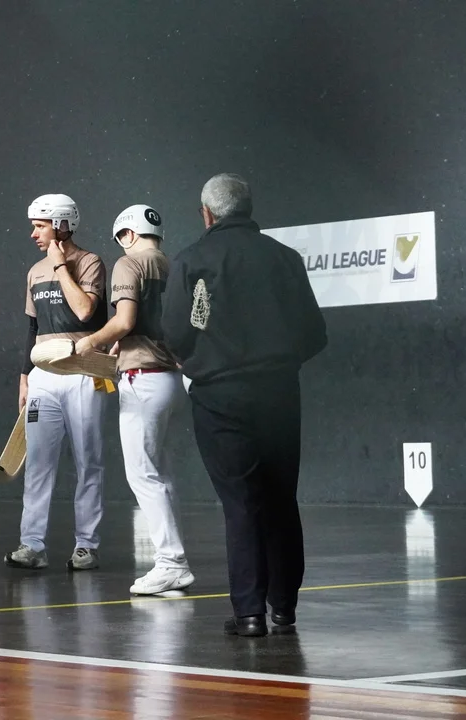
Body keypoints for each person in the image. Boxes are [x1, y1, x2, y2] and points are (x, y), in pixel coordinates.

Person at [160, 173, 327, 637]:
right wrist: (278, 363)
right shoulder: (286, 258)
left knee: (241, 503)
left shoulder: (191, 260)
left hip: (219, 397)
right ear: (248, 209)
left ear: (207, 214)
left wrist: (202, 361)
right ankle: (284, 608)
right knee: (280, 498)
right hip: (279, 394)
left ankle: (250, 613)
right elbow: (315, 333)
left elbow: (174, 333)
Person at [76, 204, 194, 595]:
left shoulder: (129, 264)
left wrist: (91, 341)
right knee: (161, 474)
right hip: (172, 380)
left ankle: (172, 563)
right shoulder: (173, 266)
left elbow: (125, 321)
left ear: (128, 234)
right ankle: (174, 560)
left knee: (143, 474)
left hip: (143, 381)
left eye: (120, 239)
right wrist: (122, 345)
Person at [6, 193, 112, 572]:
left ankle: (86, 546)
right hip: (43, 379)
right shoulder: (34, 272)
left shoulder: (90, 262)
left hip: (84, 374)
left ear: (62, 225)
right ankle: (32, 545)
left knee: (89, 462)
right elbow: (32, 328)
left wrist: (61, 266)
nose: (34, 234)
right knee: (38, 462)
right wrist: (25, 378)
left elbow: (84, 310)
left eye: (40, 226)